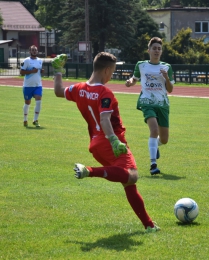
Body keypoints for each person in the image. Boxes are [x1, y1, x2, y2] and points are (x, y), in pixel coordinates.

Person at [52, 52, 160, 233]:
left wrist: (57, 71)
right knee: (132, 175)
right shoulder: (104, 92)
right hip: (110, 142)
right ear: (107, 70)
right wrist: (114, 140)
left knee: (128, 182)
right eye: (112, 72)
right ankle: (89, 171)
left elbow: (58, 91)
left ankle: (149, 225)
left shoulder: (78, 88)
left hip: (95, 145)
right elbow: (104, 120)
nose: (111, 76)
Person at [125, 37, 175, 175]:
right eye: (154, 48)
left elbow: (170, 89)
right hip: (147, 102)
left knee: (164, 140)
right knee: (154, 130)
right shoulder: (141, 65)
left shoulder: (167, 67)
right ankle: (153, 164)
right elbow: (134, 79)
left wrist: (166, 77)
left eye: (159, 48)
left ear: (161, 51)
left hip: (162, 104)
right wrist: (129, 82)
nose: (157, 51)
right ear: (149, 50)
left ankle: (155, 146)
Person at [20, 45, 44, 127]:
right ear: (30, 51)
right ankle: (25, 119)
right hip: (28, 86)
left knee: (38, 102)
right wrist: (31, 71)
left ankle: (35, 120)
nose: (34, 51)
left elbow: (39, 70)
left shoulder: (40, 60)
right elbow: (21, 72)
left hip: (38, 85)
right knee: (27, 103)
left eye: (35, 50)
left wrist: (41, 71)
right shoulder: (26, 60)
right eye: (33, 50)